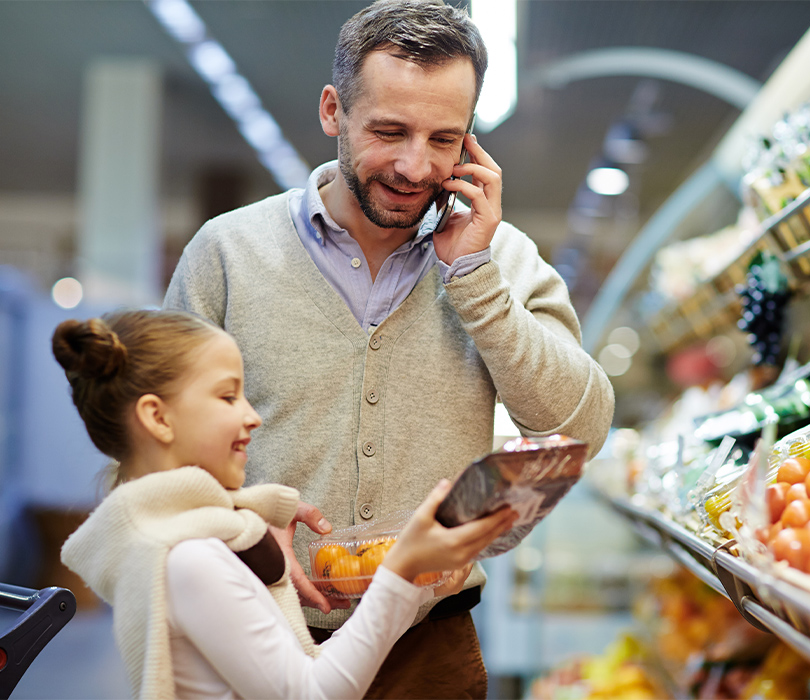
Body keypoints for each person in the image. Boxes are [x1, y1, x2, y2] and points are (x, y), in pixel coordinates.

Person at [163, 0, 616, 695]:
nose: (414, 165)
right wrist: (236, 528)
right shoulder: (228, 253)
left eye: (444, 140)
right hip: (250, 634)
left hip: (427, 654)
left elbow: (578, 428)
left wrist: (473, 278)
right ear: (332, 112)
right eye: (389, 131)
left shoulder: (504, 260)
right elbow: (152, 456)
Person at [55, 309, 516, 700]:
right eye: (227, 395)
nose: (251, 416)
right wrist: (402, 573)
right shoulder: (190, 559)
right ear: (157, 417)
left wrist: (415, 580)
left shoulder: (188, 539)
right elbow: (310, 693)